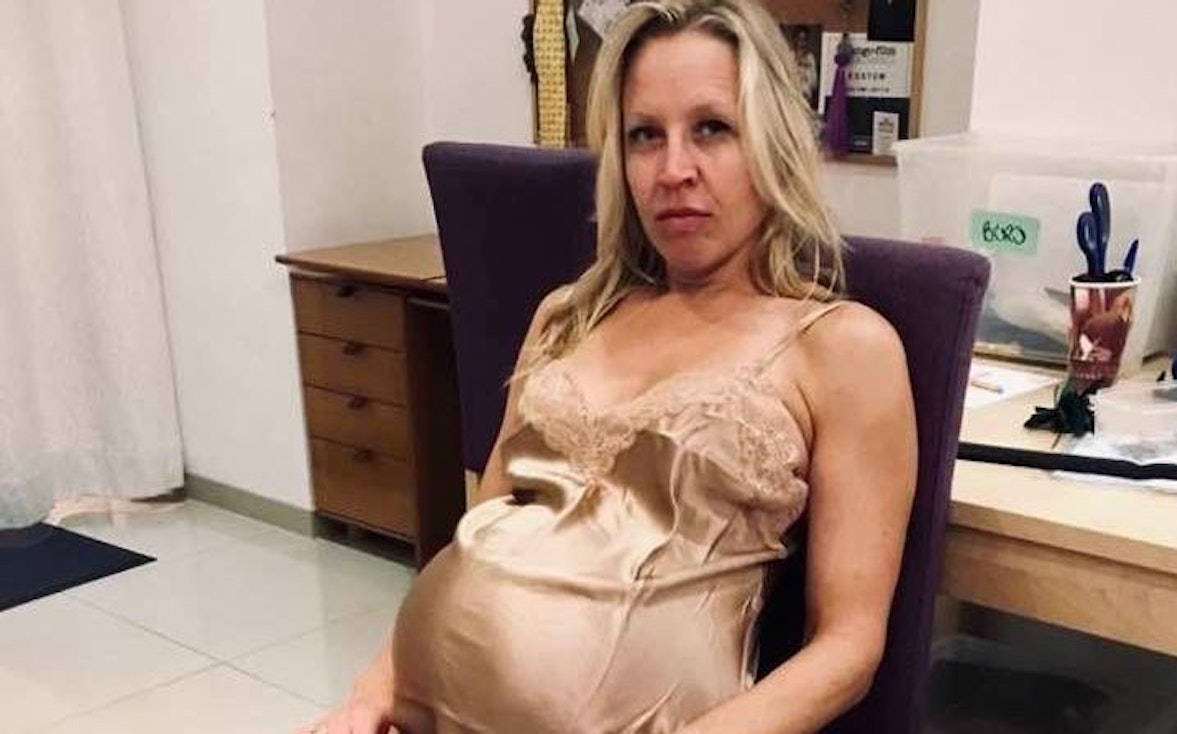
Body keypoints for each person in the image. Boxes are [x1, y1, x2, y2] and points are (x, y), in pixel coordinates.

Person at [300, 1, 916, 732]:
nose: (673, 170)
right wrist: (374, 687)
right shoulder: (569, 314)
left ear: (772, 140)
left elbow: (849, 648)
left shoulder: (841, 347)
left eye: (712, 128)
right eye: (644, 135)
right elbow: (481, 532)